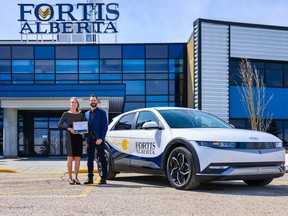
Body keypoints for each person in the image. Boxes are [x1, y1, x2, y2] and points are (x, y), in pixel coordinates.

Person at [58, 97, 84, 185]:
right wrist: (68, 128)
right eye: (72, 102)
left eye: (75, 102)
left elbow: (83, 126)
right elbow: (59, 125)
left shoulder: (81, 115)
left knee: (77, 158)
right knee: (70, 158)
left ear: (77, 104)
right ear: (70, 104)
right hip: (69, 137)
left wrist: (82, 132)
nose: (73, 104)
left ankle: (76, 177)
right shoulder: (66, 114)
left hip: (78, 138)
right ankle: (70, 177)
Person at [83, 94, 108, 184]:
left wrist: (101, 138)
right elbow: (84, 128)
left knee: (102, 158)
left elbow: (104, 127)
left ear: (97, 101)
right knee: (89, 159)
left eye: (94, 100)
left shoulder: (102, 113)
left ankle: (103, 178)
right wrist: (85, 139)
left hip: (99, 140)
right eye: (91, 100)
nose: (93, 102)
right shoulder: (86, 114)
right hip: (89, 140)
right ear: (89, 102)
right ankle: (90, 178)